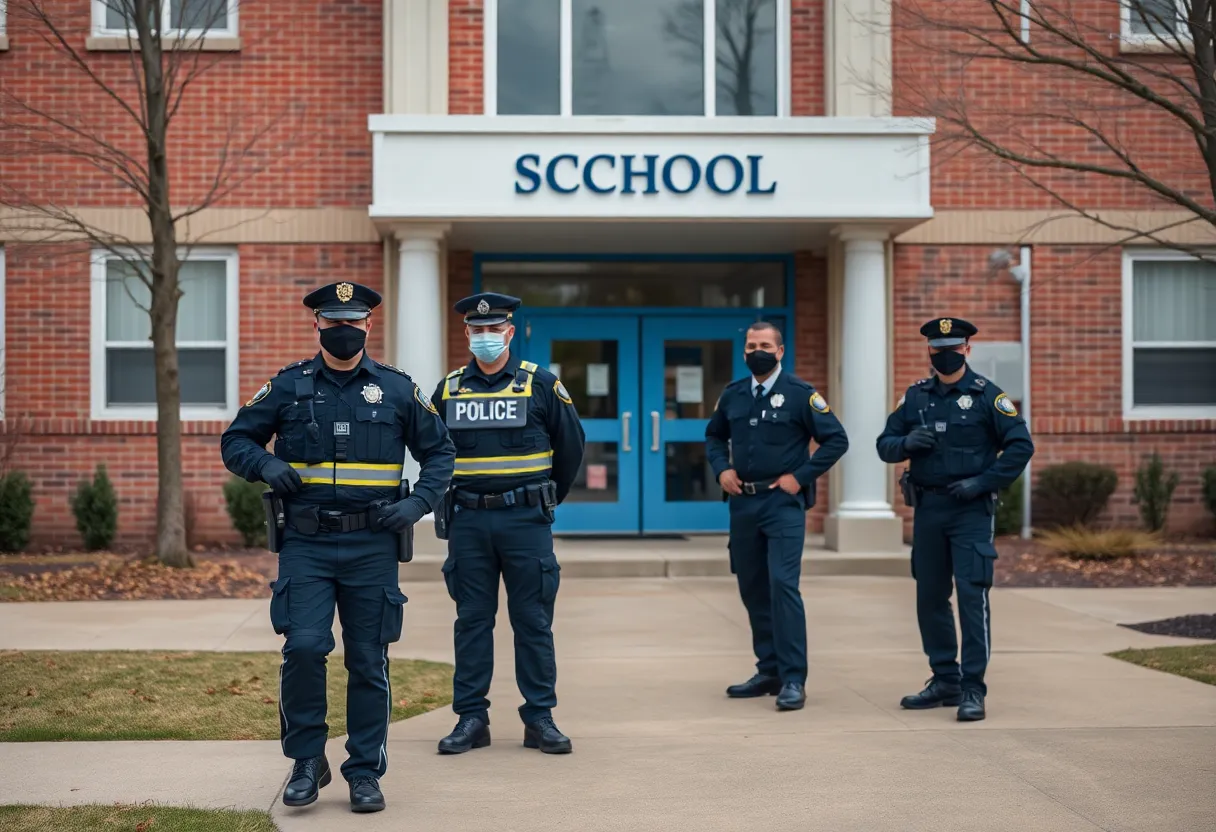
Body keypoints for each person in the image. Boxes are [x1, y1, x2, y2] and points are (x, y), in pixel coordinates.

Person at [220, 282, 455, 813]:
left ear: (369, 325)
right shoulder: (288, 387)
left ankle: (364, 771)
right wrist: (266, 464)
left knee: (369, 660)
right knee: (303, 648)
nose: (343, 331)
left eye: (353, 321)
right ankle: (306, 760)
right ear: (318, 326)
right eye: (333, 322)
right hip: (306, 542)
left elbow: (441, 452)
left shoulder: (396, 390)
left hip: (373, 542)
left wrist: (417, 505)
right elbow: (235, 441)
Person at [431, 292, 585, 755]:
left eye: (493, 329)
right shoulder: (449, 389)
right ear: (466, 334)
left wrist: (542, 497)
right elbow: (432, 451)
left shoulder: (541, 384)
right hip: (469, 522)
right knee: (472, 622)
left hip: (525, 519)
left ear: (510, 332)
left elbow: (571, 447)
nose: (485, 337)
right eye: (477, 331)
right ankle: (471, 719)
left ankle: (539, 718)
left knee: (533, 622)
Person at [876, 317, 1034, 722]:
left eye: (952, 347)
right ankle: (944, 679)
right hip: (928, 509)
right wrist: (905, 443)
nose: (944, 355)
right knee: (929, 597)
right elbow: (884, 444)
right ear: (929, 351)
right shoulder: (914, 397)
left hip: (970, 512)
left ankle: (972, 688)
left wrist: (983, 482)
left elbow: (1020, 446)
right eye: (937, 348)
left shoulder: (987, 397)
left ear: (967, 349)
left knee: (971, 597)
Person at [705, 321, 849, 711]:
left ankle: (793, 678)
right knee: (752, 587)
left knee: (783, 586)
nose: (758, 351)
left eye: (765, 345)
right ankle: (768, 669)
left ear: (781, 351)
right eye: (751, 346)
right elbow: (714, 436)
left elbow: (837, 439)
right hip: (743, 503)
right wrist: (722, 469)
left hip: (782, 504)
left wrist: (800, 477)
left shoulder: (801, 395)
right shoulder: (734, 394)